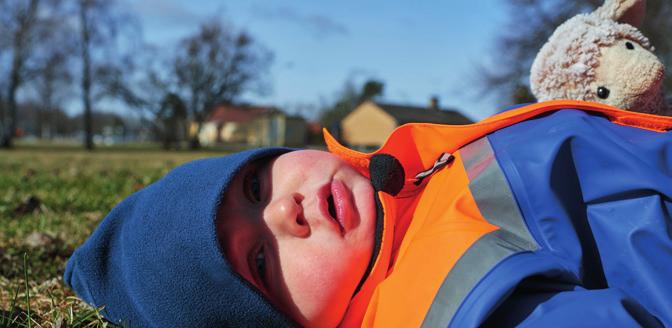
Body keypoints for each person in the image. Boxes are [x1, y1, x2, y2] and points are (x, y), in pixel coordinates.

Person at [65, 100, 672, 327]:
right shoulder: (441, 304)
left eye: (253, 185)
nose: (284, 211)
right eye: (258, 260)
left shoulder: (406, 173)